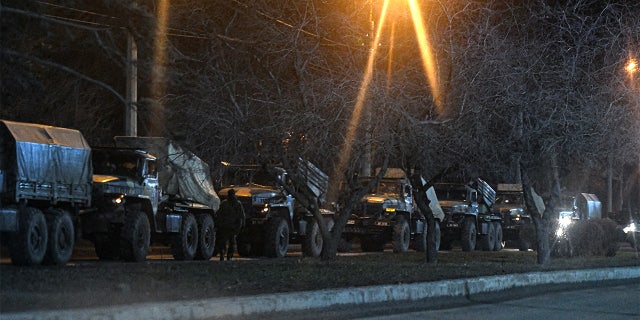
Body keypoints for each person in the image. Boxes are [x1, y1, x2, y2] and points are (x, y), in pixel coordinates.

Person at [216, 189, 245, 261]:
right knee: (231, 242)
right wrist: (242, 225)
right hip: (233, 226)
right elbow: (241, 215)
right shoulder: (238, 204)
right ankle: (229, 256)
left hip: (225, 226)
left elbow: (219, 215)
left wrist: (218, 224)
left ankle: (222, 254)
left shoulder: (224, 203)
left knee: (223, 241)